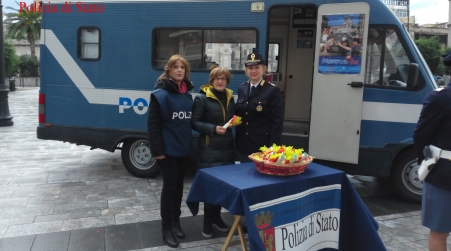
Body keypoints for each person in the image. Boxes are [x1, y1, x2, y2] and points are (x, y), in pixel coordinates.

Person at [147, 54, 194, 248]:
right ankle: (166, 229)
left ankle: (176, 222)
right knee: (169, 188)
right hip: (167, 151)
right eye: (175, 67)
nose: (179, 70)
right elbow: (153, 125)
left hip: (183, 148)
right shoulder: (159, 95)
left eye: (182, 67)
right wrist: (157, 150)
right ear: (168, 70)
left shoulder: (187, 94)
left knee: (179, 188)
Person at [413, 51, 451, 251]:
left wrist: (425, 162)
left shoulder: (441, 98)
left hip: (444, 173)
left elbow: (421, 136)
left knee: (439, 232)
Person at [191, 67, 235, 238]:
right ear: (211, 80)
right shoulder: (202, 98)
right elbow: (194, 122)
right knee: (210, 188)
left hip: (227, 150)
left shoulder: (231, 98)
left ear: (227, 81)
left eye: (223, 78)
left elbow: (231, 119)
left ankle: (216, 218)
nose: (220, 81)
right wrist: (212, 129)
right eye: (217, 78)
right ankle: (207, 223)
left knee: (221, 188)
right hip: (209, 150)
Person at [235, 52, 284, 163]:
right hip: (244, 145)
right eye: (250, 68)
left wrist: (273, 147)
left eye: (257, 67)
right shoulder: (242, 88)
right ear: (246, 70)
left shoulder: (272, 90)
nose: (254, 71)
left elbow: (277, 121)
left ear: (263, 69)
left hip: (262, 147)